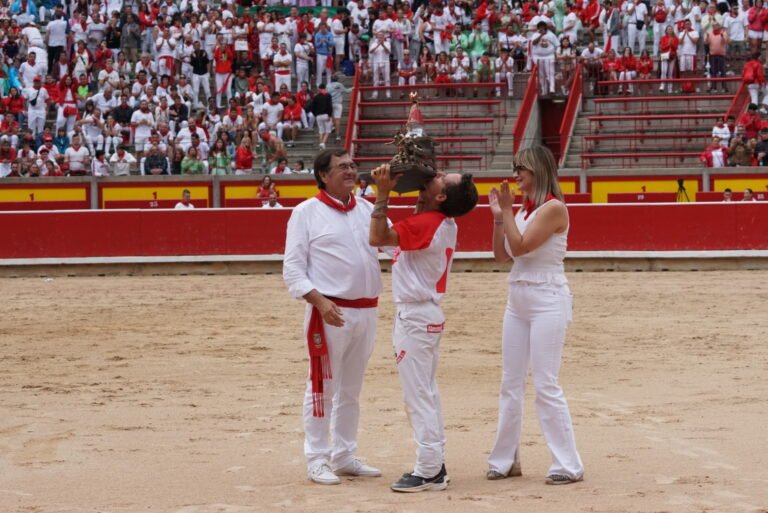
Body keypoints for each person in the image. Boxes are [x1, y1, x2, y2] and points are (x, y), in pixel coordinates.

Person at [368, 164, 479, 493]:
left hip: (415, 317)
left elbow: (377, 238)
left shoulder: (429, 223)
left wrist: (384, 193)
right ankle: (435, 463)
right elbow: (394, 246)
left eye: (442, 179)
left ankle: (429, 469)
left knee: (418, 394)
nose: (438, 174)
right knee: (426, 392)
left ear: (441, 195)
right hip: (423, 314)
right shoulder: (438, 221)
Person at [283, 149, 383, 486]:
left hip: (368, 310)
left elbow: (395, 245)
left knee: (351, 389)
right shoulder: (305, 213)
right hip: (330, 311)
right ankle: (317, 458)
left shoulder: (369, 209)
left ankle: (344, 454)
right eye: (342, 167)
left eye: (353, 165)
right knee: (321, 387)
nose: (351, 171)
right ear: (323, 175)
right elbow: (293, 271)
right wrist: (320, 303)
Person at [487, 145, 584, 486]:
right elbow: (501, 255)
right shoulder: (526, 210)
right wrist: (500, 217)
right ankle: (505, 459)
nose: (517, 176)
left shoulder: (553, 208)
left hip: (547, 298)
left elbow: (523, 247)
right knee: (510, 382)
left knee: (545, 382)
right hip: (519, 298)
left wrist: (509, 213)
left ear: (538, 172)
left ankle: (568, 463)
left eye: (522, 170)